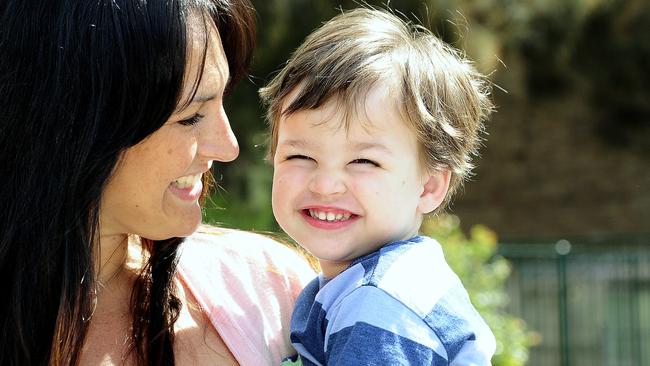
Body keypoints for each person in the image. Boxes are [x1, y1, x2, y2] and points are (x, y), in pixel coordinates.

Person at [0, 0, 315, 365]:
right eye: (191, 117)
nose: (228, 147)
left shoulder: (271, 291)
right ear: (72, 127)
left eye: (221, 101)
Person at [260, 8, 496, 365]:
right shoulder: (372, 284)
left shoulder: (377, 306)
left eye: (363, 161)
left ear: (429, 186)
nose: (325, 184)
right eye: (300, 156)